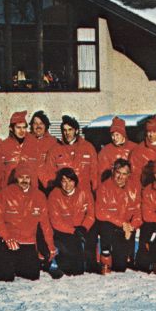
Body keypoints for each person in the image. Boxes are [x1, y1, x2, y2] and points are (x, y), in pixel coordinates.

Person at [43, 115, 99, 272]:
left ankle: (91, 262)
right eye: (64, 130)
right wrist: (57, 191)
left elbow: (94, 172)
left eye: (70, 130)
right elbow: (48, 174)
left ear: (76, 130)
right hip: (64, 197)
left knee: (90, 231)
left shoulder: (88, 148)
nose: (67, 133)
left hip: (84, 198)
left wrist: (94, 191)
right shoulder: (55, 150)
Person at [0, 163, 56, 280]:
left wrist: (51, 245)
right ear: (16, 178)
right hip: (10, 241)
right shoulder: (5, 193)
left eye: (27, 177)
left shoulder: (39, 196)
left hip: (28, 242)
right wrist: (7, 237)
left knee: (32, 276)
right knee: (6, 277)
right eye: (21, 177)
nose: (24, 180)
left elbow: (45, 225)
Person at [94, 159, 141, 274]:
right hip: (111, 227)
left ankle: (127, 255)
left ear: (129, 175)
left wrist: (131, 226)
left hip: (126, 229)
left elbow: (138, 212)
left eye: (124, 174)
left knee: (120, 267)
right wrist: (122, 223)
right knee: (105, 225)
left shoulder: (134, 188)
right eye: (118, 173)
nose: (120, 177)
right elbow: (100, 212)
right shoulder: (103, 188)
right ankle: (105, 258)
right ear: (113, 171)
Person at [48, 168, 95, 276]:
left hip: (81, 228)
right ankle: (57, 257)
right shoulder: (54, 195)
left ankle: (90, 261)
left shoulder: (84, 192)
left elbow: (91, 215)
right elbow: (55, 221)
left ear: (75, 181)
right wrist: (73, 231)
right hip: (64, 231)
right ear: (60, 182)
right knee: (72, 270)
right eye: (64, 181)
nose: (67, 185)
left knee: (81, 269)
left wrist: (84, 227)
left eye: (70, 181)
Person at [0, 111, 41, 186]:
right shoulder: (3, 146)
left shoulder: (35, 145)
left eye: (24, 127)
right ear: (11, 128)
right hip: (10, 189)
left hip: (30, 190)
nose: (22, 131)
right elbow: (0, 173)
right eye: (18, 127)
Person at [129, 116, 156, 186]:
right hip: (148, 190)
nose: (151, 135)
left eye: (154, 131)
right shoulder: (138, 151)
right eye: (149, 132)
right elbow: (134, 176)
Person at [97, 116, 137, 182]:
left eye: (117, 135)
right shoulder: (105, 151)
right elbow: (101, 173)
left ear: (123, 134)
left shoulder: (134, 148)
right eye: (113, 135)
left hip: (131, 186)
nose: (114, 138)